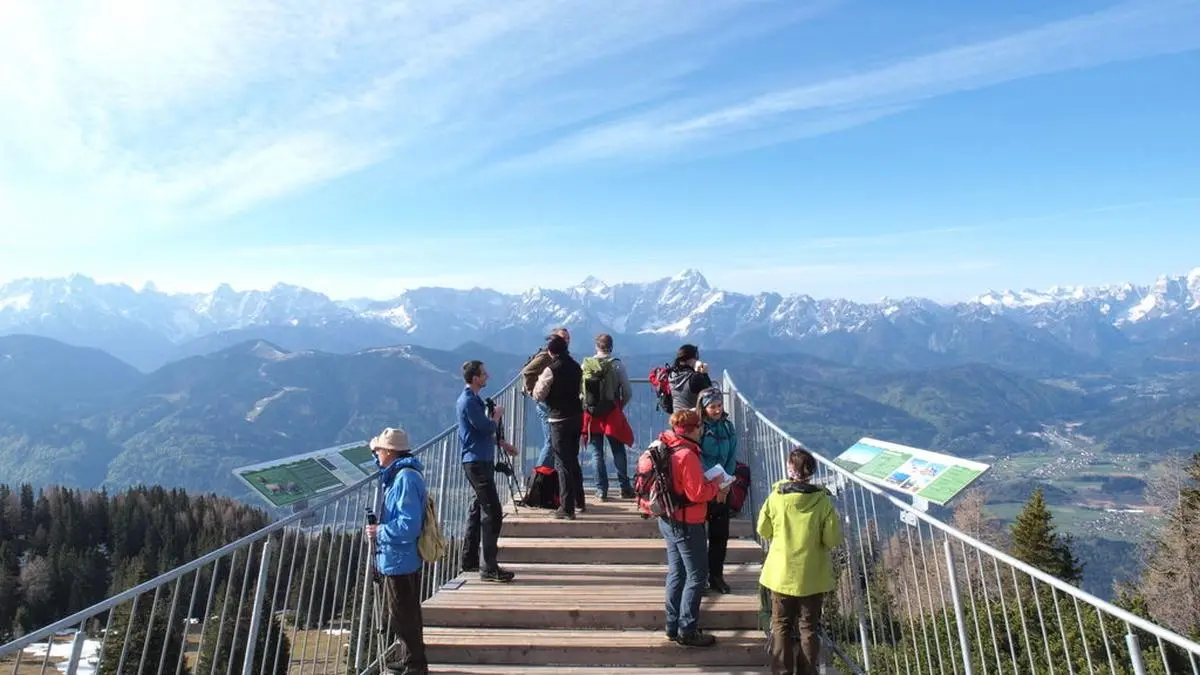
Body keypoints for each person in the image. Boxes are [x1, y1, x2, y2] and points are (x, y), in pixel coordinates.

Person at [757, 447, 843, 675]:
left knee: (781, 625)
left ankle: (781, 671)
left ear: (789, 469)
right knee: (808, 627)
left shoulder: (776, 498)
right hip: (812, 575)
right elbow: (832, 539)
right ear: (811, 472)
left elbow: (763, 529)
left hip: (781, 573)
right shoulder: (822, 502)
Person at [656, 409, 726, 648]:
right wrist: (717, 485)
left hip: (667, 519)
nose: (702, 430)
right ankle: (688, 630)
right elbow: (696, 494)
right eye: (700, 427)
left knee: (677, 572)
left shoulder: (668, 446)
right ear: (695, 429)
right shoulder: (687, 455)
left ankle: (672, 625)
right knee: (697, 575)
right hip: (688, 522)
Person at [365, 427, 429, 675]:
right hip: (400, 558)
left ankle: (415, 665)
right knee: (403, 612)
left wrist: (378, 532)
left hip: (399, 558)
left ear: (390, 452)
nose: (378, 455)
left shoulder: (404, 479)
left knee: (403, 615)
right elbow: (382, 466)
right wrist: (374, 450)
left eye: (380, 451)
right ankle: (409, 659)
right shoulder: (400, 472)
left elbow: (408, 525)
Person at [457, 360, 519, 582]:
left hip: (478, 460)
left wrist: (502, 443)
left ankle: (470, 559)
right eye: (484, 374)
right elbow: (485, 427)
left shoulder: (473, 400)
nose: (487, 376)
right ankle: (489, 567)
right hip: (477, 462)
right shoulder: (469, 402)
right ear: (475, 378)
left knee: (477, 509)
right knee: (492, 512)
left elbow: (480, 432)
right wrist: (497, 416)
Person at [531, 334, 585, 520]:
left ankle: (566, 507)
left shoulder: (550, 369)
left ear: (550, 352)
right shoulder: (577, 367)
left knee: (562, 462)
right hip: (577, 417)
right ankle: (579, 500)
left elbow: (538, 395)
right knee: (573, 459)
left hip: (558, 419)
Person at [581, 333, 636, 501]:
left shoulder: (586, 365)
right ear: (611, 347)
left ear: (596, 346)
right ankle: (625, 488)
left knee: (596, 452)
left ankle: (601, 490)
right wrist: (619, 405)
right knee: (618, 449)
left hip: (591, 413)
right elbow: (627, 392)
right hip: (611, 411)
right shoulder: (617, 365)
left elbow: (581, 392)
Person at [697, 387, 737, 594]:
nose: (717, 410)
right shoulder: (699, 429)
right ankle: (700, 576)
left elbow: (732, 455)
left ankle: (716, 575)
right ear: (703, 408)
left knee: (720, 534)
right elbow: (697, 458)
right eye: (712, 406)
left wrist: (724, 484)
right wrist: (713, 484)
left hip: (723, 487)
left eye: (719, 406)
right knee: (699, 536)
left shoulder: (728, 428)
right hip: (703, 488)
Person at [522, 327, 570, 470]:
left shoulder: (559, 356)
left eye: (568, 338)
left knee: (553, 442)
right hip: (545, 403)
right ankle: (539, 480)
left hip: (552, 403)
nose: (567, 341)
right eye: (564, 338)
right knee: (551, 442)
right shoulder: (545, 356)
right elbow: (527, 372)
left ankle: (547, 480)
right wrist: (533, 392)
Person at [669, 344, 713, 414]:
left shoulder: (671, 375)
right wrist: (704, 374)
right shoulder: (694, 377)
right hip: (692, 419)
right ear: (692, 359)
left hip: (676, 418)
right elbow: (711, 396)